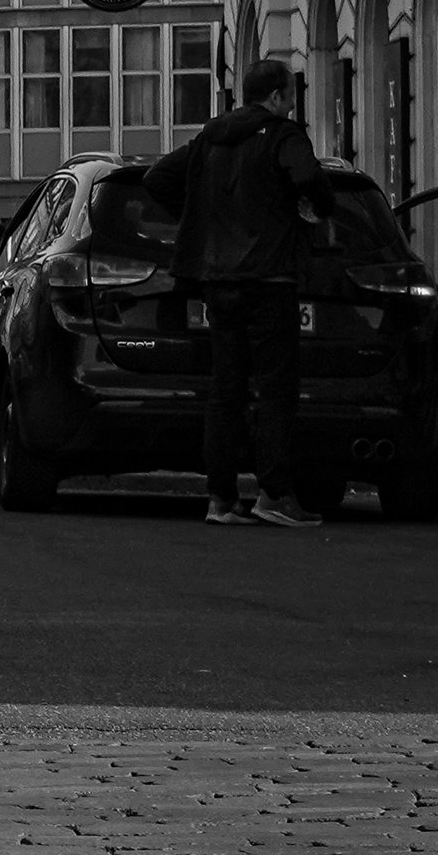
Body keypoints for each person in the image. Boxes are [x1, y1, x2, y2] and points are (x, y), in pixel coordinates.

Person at [144, 54, 336, 529]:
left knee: (224, 390)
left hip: (218, 281)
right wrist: (316, 209)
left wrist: (202, 220)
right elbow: (309, 178)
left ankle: (220, 498)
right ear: (276, 96)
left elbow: (158, 178)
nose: (291, 105)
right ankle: (274, 494)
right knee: (275, 391)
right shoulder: (283, 135)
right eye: (290, 96)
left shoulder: (211, 137)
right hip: (269, 279)